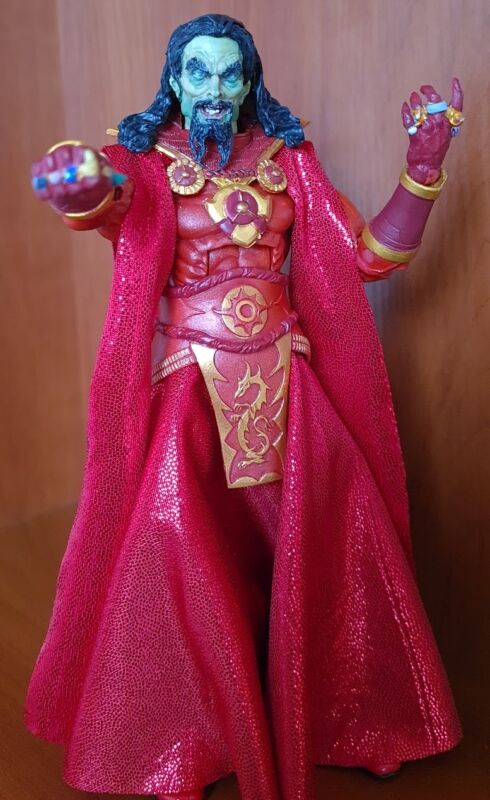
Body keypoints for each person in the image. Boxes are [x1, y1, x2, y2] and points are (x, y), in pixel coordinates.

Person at [26, 14, 464, 800]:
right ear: (174, 80)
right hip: (193, 383)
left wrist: (422, 172)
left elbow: (369, 257)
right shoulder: (148, 165)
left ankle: (355, 718)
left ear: (251, 81)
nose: (216, 89)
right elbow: (112, 208)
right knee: (177, 549)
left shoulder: (288, 163)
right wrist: (82, 184)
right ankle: (179, 740)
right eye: (200, 72)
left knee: (332, 536)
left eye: (231, 73)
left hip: (288, 375)